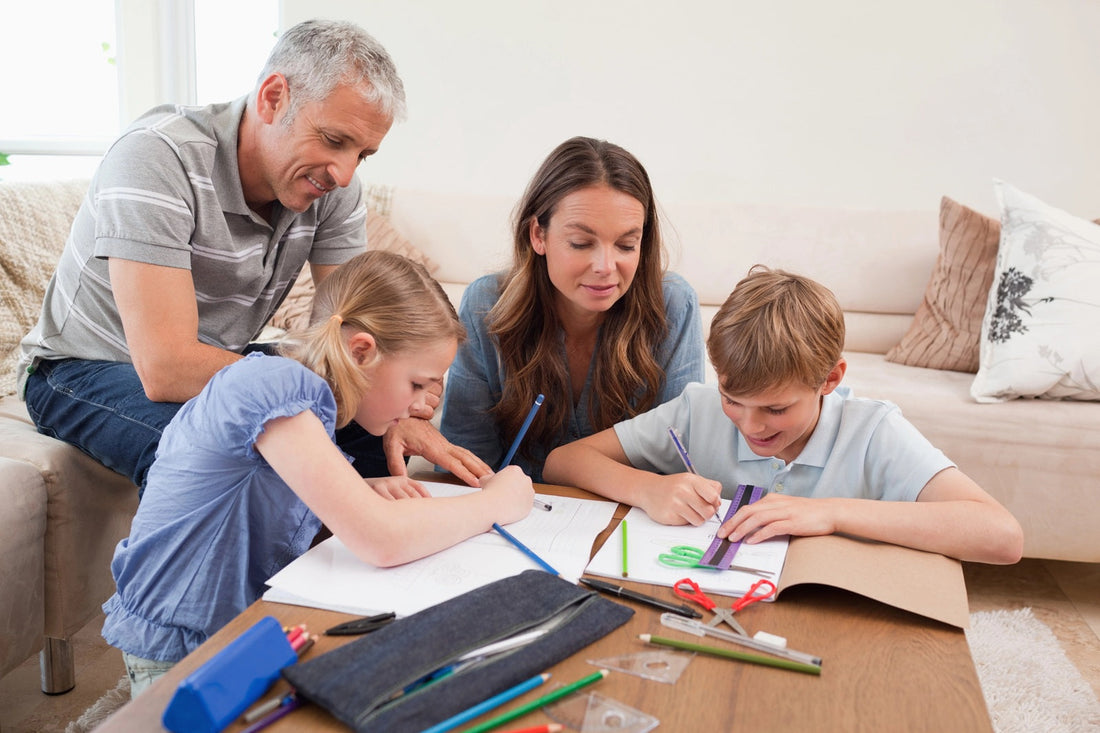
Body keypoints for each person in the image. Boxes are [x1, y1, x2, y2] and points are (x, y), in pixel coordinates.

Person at [17, 19, 487, 496]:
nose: (344, 173)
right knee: (222, 453)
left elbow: (356, 325)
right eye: (333, 139)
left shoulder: (332, 188)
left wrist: (395, 409)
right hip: (86, 368)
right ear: (272, 97)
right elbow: (165, 367)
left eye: (363, 154)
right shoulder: (156, 158)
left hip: (221, 358)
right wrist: (330, 389)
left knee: (377, 441)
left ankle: (381, 556)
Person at [101, 250, 534, 696]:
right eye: (417, 383)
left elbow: (262, 494)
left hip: (230, 629)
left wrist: (358, 490)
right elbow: (381, 539)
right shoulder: (279, 387)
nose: (423, 407)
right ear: (361, 351)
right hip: (183, 646)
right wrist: (494, 503)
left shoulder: (301, 397)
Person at [543, 266, 1024, 564]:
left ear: (829, 381)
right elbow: (562, 462)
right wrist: (647, 488)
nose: (751, 426)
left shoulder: (873, 430)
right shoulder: (699, 410)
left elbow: (1001, 537)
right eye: (734, 398)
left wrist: (830, 513)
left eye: (776, 408)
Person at [439, 136, 705, 482]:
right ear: (538, 235)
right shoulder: (485, 305)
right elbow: (464, 459)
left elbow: (677, 458)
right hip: (513, 517)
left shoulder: (674, 305)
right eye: (581, 243)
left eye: (626, 244)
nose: (606, 266)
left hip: (632, 519)